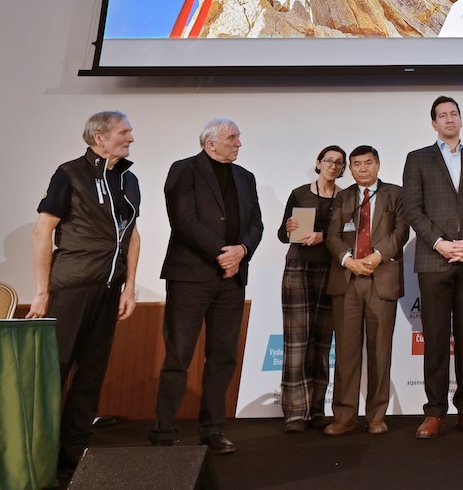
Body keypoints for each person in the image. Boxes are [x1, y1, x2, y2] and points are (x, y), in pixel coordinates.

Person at [29, 111, 141, 480]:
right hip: (73, 288)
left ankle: (72, 454)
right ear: (99, 137)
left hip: (110, 290)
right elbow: (42, 232)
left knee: (91, 375)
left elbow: (132, 234)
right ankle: (37, 456)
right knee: (54, 372)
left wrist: (130, 286)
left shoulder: (128, 178)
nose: (131, 138)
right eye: (123, 132)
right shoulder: (69, 174)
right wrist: (42, 292)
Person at [150, 118, 263, 453]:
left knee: (223, 355)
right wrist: (222, 253)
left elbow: (256, 223)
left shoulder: (246, 177)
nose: (238, 143)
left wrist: (242, 250)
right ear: (211, 143)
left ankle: (212, 429)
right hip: (190, 277)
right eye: (232, 138)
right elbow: (183, 220)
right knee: (178, 354)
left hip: (232, 279)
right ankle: (164, 430)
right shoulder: (184, 170)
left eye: (238, 137)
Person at [402, 95, 463, 438]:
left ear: (461, 119)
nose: (448, 119)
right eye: (441, 115)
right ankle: (434, 412)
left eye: (453, 113)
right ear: (433, 123)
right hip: (434, 259)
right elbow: (412, 209)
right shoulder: (417, 159)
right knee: (436, 338)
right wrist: (440, 243)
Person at [324, 146, 409, 436]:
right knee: (346, 353)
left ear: (378, 164)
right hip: (347, 279)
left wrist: (376, 256)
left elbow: (402, 231)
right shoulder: (342, 197)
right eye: (357, 164)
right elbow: (332, 236)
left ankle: (376, 416)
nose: (363, 168)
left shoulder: (396, 194)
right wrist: (349, 260)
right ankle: (344, 416)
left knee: (380, 351)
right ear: (350, 169)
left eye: (368, 163)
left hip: (381, 278)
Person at [276, 145, 345, 433]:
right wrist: (289, 227)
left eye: (339, 162)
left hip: (331, 270)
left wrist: (324, 236)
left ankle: (316, 409)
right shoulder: (299, 193)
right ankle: (295, 413)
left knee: (322, 343)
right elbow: (282, 235)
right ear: (318, 163)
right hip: (298, 268)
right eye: (328, 160)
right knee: (296, 343)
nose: (333, 165)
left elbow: (349, 235)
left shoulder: (346, 197)